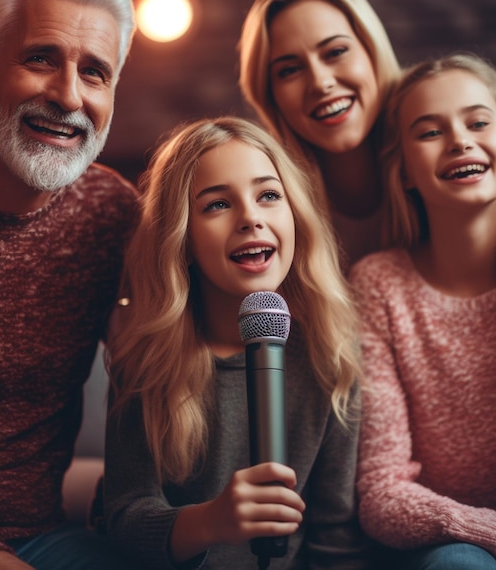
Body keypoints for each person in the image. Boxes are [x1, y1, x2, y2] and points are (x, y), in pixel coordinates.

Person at [0, 0, 140, 570]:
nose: (68, 95)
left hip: (47, 542)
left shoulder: (110, 214)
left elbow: (161, 372)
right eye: (40, 58)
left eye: (95, 72)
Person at [103, 116, 366, 569]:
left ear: (295, 216)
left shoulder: (330, 357)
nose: (250, 218)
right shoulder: (146, 361)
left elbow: (334, 535)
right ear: (181, 238)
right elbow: (125, 519)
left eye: (268, 195)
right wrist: (210, 521)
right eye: (217, 204)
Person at [348, 52, 496, 570]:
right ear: (406, 174)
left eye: (478, 121)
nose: (460, 139)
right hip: (445, 539)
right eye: (429, 132)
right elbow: (381, 489)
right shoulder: (379, 286)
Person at [238, 0, 401, 264]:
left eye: (336, 52)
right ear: (269, 95)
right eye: (289, 70)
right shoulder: (264, 214)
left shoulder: (446, 156)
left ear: (372, 51)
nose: (320, 82)